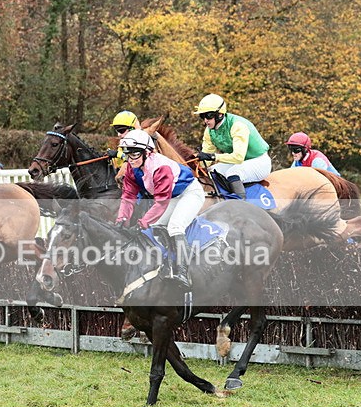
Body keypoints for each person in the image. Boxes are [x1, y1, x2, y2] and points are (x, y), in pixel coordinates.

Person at [116, 129, 205, 288]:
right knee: (157, 227)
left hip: (189, 193)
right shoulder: (132, 167)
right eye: (127, 153)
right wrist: (122, 219)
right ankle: (168, 264)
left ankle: (183, 271)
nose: (131, 159)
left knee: (175, 226)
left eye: (135, 154)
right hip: (171, 197)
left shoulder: (160, 167)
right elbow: (128, 195)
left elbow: (161, 203)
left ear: (147, 153)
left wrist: (142, 223)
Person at [193, 93, 272, 199]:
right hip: (239, 162)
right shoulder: (209, 131)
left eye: (209, 115)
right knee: (211, 170)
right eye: (202, 116)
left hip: (259, 162)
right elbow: (205, 162)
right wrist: (194, 164)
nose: (205, 120)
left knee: (233, 173)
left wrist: (213, 157)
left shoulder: (237, 126)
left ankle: (241, 205)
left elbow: (238, 157)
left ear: (220, 114)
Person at [107, 111, 141, 184]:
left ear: (133, 128)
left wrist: (117, 154)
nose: (119, 134)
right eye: (117, 130)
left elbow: (133, 159)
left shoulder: (141, 142)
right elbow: (121, 162)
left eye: (121, 130)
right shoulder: (124, 142)